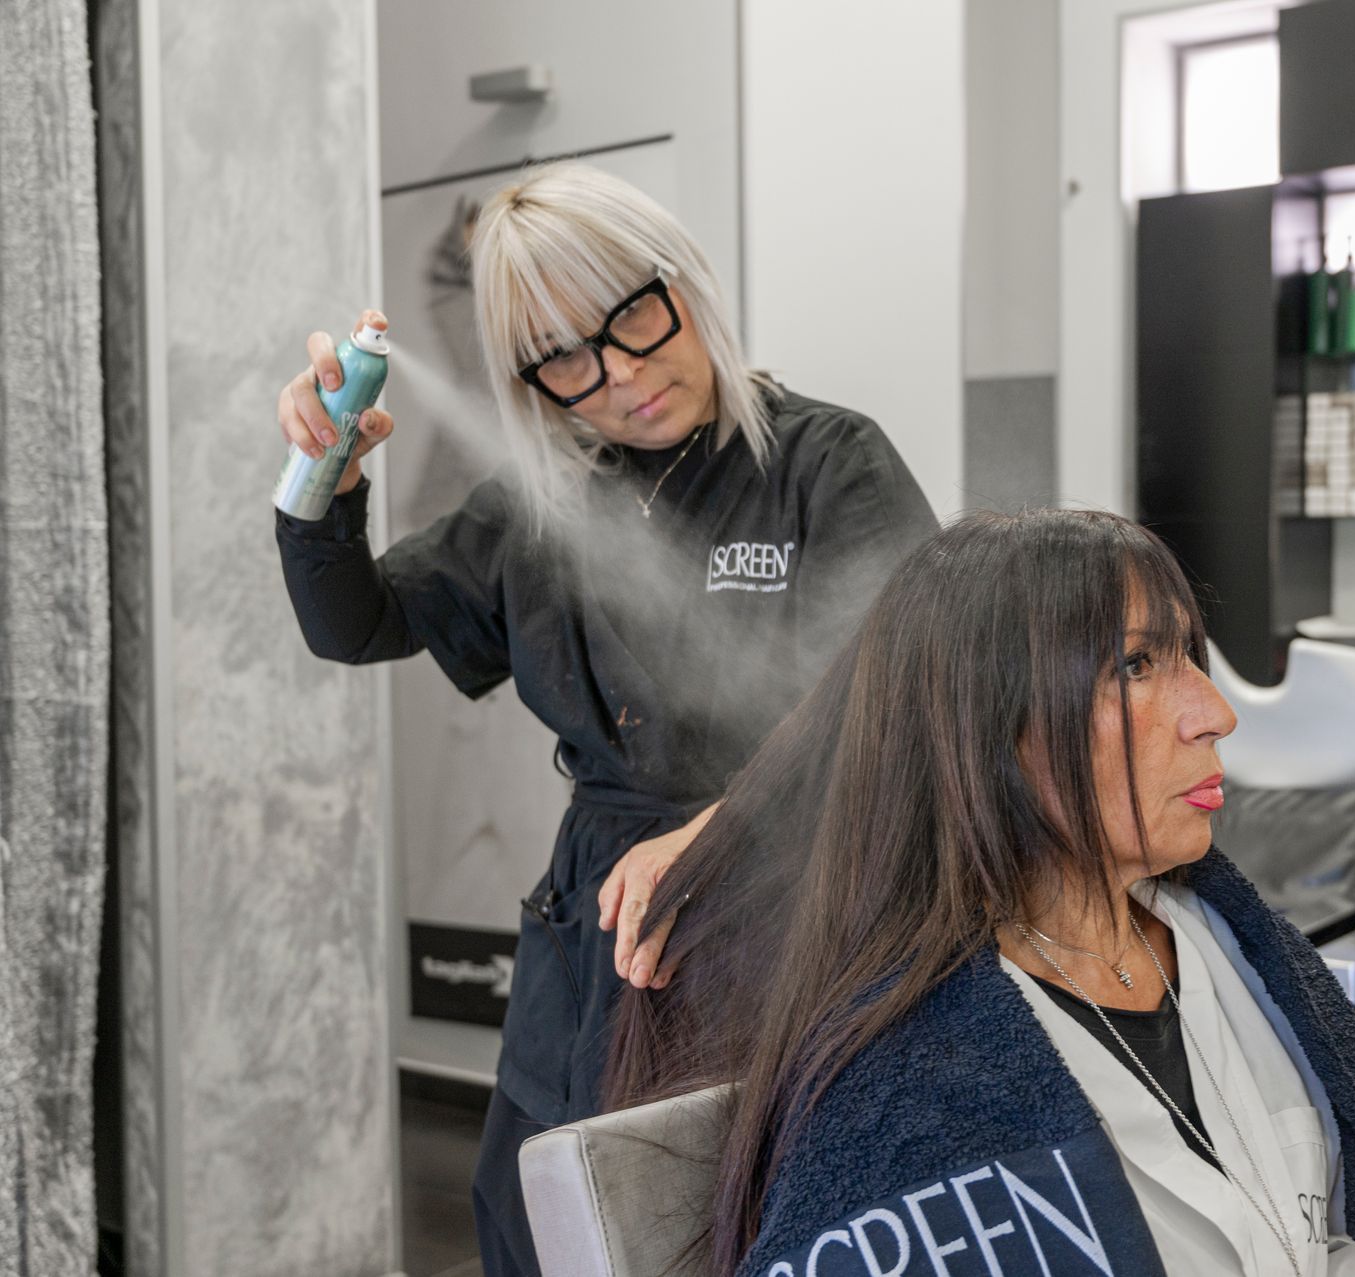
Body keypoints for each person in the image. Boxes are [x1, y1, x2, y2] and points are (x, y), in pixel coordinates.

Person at [272, 161, 938, 1276]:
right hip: (592, 928)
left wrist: (716, 833)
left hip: (790, 912)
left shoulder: (829, 464)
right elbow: (357, 622)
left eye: (634, 317)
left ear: (685, 283)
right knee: (538, 1208)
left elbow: (908, 702)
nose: (620, 373)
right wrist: (321, 481)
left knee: (732, 1223)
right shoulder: (540, 508)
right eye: (566, 358)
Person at [609, 509, 1355, 1277]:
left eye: (1187, 658)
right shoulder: (909, 1086)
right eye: (1137, 663)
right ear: (988, 725)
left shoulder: (1240, 953)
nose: (1214, 712)